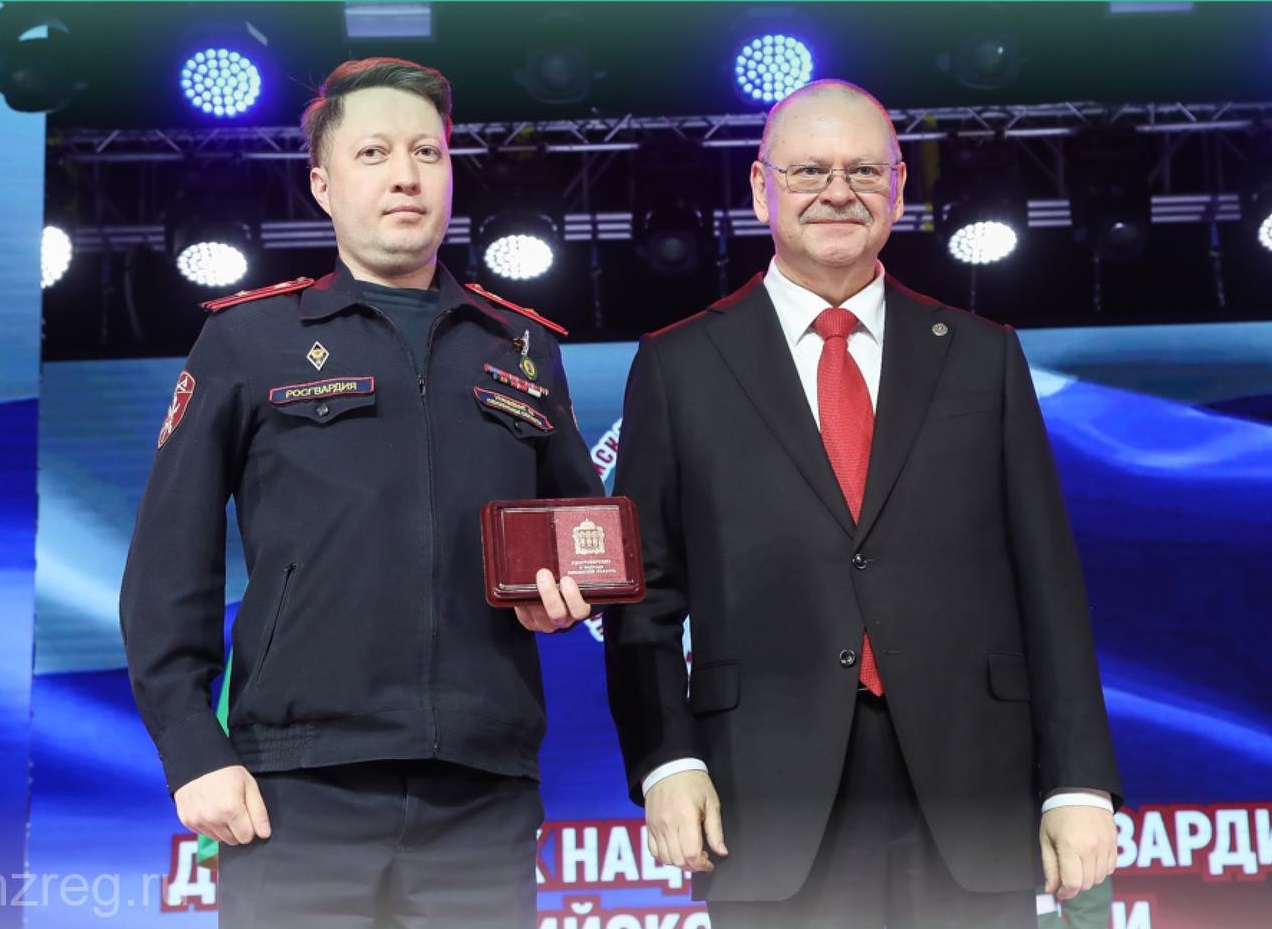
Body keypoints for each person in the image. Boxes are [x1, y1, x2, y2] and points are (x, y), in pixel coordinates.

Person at [603, 79, 1122, 929]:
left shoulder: (982, 356)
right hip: (762, 793)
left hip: (972, 787)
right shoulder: (678, 365)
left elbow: (1048, 581)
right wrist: (666, 761)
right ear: (761, 188)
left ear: (899, 189)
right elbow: (644, 595)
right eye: (809, 170)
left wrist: (1078, 781)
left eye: (864, 170)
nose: (838, 192)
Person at [119, 57, 602, 929]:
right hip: (295, 789)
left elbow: (582, 535)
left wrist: (569, 595)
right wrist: (191, 748)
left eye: (427, 151)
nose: (405, 175)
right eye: (373, 152)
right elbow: (167, 565)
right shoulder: (249, 340)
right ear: (323, 184)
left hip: (483, 793)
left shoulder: (524, 347)